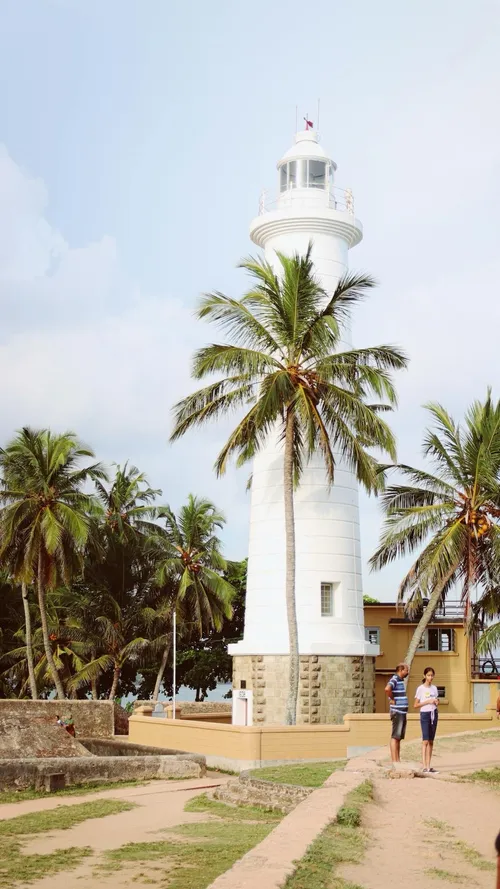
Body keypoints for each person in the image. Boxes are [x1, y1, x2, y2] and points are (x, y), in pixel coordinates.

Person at [414, 666, 439, 773]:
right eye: (428, 675)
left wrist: (436, 702)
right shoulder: (421, 689)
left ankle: (429, 766)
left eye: (432, 675)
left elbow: (436, 699)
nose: (430, 677)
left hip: (434, 713)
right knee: (425, 741)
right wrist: (428, 701)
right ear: (424, 676)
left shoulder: (434, 688)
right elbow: (416, 704)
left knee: (431, 741)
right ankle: (424, 766)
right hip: (425, 714)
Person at [385, 662, 409, 764]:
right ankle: (395, 761)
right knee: (395, 736)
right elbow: (387, 689)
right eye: (406, 670)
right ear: (400, 670)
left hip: (402, 712)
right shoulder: (394, 679)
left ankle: (398, 760)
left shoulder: (400, 681)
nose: (407, 672)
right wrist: (392, 698)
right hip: (397, 712)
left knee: (398, 737)